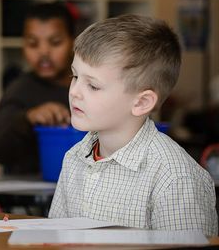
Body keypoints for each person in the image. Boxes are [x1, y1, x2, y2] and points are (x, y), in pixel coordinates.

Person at [49, 14, 217, 236]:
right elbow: (54, 238)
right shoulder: (74, 158)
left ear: (141, 103)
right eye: (75, 76)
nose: (75, 92)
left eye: (93, 86)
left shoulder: (175, 177)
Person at [0, 2, 75, 174]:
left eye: (55, 42)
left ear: (73, 42)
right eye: (33, 44)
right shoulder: (20, 89)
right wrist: (27, 119)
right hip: (29, 196)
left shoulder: (89, 86)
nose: (43, 52)